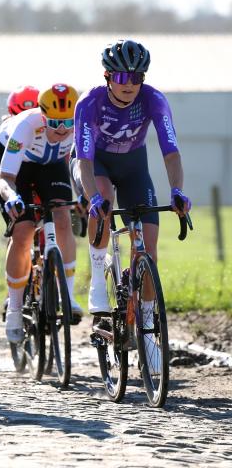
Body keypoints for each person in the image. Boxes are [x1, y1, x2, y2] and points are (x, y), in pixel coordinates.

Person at [76, 40, 189, 361]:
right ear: (108, 77)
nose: (130, 85)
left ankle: (148, 329)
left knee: (148, 250)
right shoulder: (89, 102)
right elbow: (84, 161)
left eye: (136, 78)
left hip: (133, 167)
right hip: (95, 164)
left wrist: (177, 191)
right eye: (122, 77)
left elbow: (171, 152)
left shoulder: (153, 99)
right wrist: (93, 197)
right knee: (104, 202)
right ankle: (98, 281)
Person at [0, 84, 82, 343]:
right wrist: (12, 197)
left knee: (63, 216)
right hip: (16, 168)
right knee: (23, 230)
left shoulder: (80, 125)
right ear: (43, 117)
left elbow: (82, 164)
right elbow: (5, 178)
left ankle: (68, 296)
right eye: (54, 122)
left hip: (50, 165)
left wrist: (86, 195)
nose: (62, 129)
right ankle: (14, 308)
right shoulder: (25, 126)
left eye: (68, 122)